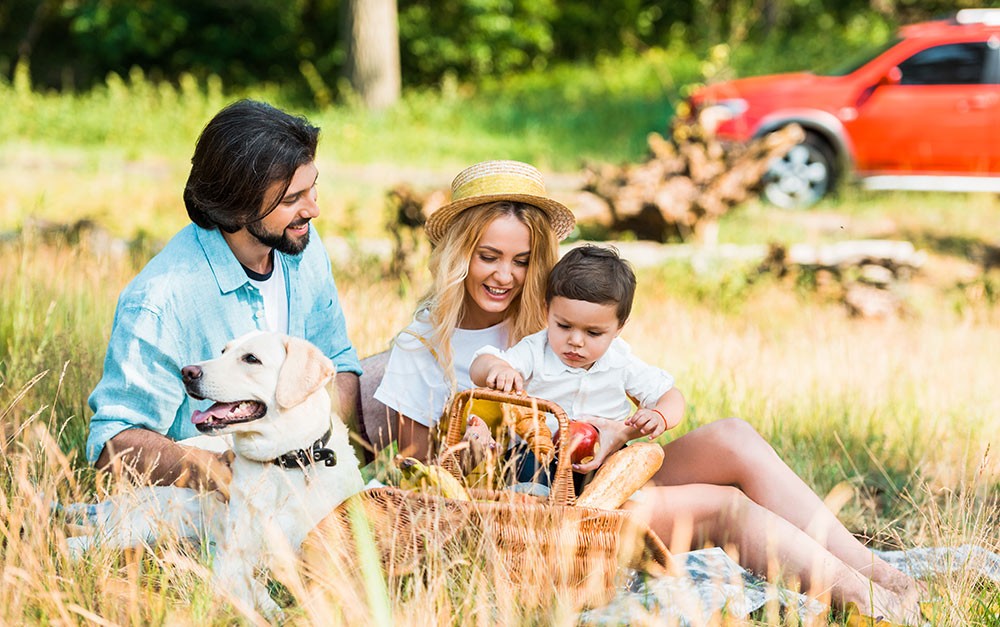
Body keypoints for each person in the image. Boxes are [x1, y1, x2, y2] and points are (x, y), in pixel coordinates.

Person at [371, 159, 923, 624]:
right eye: (487, 256)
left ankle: (880, 573)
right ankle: (869, 604)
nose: (505, 276)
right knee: (725, 507)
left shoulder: (552, 317)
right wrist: (478, 452)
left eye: (521, 261)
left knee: (733, 436)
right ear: (457, 254)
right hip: (539, 513)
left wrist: (619, 431)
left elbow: (617, 382)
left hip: (605, 473)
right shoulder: (426, 347)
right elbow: (425, 482)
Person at [86, 99, 363, 494]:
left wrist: (307, 454)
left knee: (404, 371)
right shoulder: (162, 299)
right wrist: (224, 472)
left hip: (309, 466)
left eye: (312, 188)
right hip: (208, 499)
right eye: (291, 200)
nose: (314, 209)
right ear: (236, 210)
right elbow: (113, 444)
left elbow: (338, 362)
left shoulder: (301, 245)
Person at [469, 244, 684, 450]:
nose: (576, 341)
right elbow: (481, 364)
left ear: (619, 328)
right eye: (563, 326)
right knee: (527, 475)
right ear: (547, 312)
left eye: (593, 333)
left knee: (621, 469)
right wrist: (497, 368)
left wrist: (660, 416)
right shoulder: (535, 350)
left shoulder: (620, 360)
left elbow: (671, 396)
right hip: (537, 451)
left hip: (603, 450)